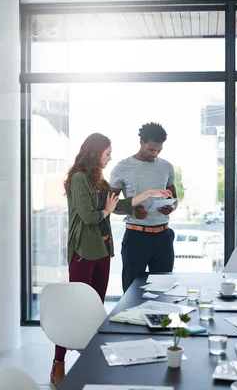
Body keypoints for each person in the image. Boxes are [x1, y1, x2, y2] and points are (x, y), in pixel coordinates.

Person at [50, 133, 171, 387]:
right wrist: (106, 209)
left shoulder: (98, 180)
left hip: (103, 249)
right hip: (83, 251)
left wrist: (148, 193)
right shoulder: (79, 179)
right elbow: (89, 216)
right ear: (95, 153)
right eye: (107, 153)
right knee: (75, 307)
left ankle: (90, 357)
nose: (110, 156)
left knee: (95, 308)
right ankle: (58, 362)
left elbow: (120, 205)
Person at [110, 122, 178, 293]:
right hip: (136, 238)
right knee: (132, 292)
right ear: (141, 142)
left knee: (163, 292)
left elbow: (174, 200)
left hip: (164, 238)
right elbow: (111, 205)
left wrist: (170, 207)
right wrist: (131, 210)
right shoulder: (122, 168)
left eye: (159, 150)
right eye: (151, 149)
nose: (154, 154)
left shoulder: (166, 167)